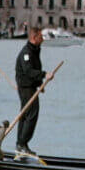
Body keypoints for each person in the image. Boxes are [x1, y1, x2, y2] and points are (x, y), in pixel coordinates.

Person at [15, 26, 53, 157]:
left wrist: (39, 84)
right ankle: (22, 144)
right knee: (31, 114)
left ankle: (20, 144)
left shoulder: (35, 50)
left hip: (30, 86)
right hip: (25, 87)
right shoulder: (27, 53)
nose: (43, 39)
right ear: (33, 38)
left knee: (25, 114)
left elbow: (33, 69)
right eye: (40, 36)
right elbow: (28, 71)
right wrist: (44, 75)